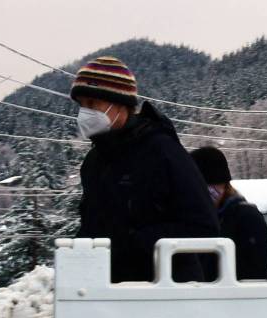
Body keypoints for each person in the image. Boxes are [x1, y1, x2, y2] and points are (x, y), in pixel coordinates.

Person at [72, 56, 219, 283]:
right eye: (81, 105)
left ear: (120, 104)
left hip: (166, 293)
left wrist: (133, 242)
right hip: (108, 294)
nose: (85, 113)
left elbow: (203, 226)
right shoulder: (94, 161)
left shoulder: (163, 152)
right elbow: (92, 224)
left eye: (92, 104)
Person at [190, 146, 267, 280]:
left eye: (212, 186)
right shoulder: (197, 217)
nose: (205, 194)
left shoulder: (246, 217)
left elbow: (255, 274)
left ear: (224, 185)